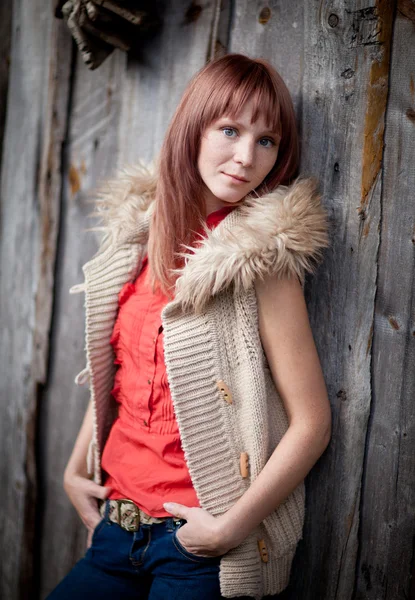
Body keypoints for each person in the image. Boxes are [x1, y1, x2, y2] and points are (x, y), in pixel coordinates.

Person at [47, 53, 331, 600]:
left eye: (266, 141)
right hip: (114, 527)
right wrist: (71, 468)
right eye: (230, 130)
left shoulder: (260, 262)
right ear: (192, 128)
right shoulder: (137, 241)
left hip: (195, 547)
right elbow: (120, 371)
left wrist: (230, 527)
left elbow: (312, 423)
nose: (246, 157)